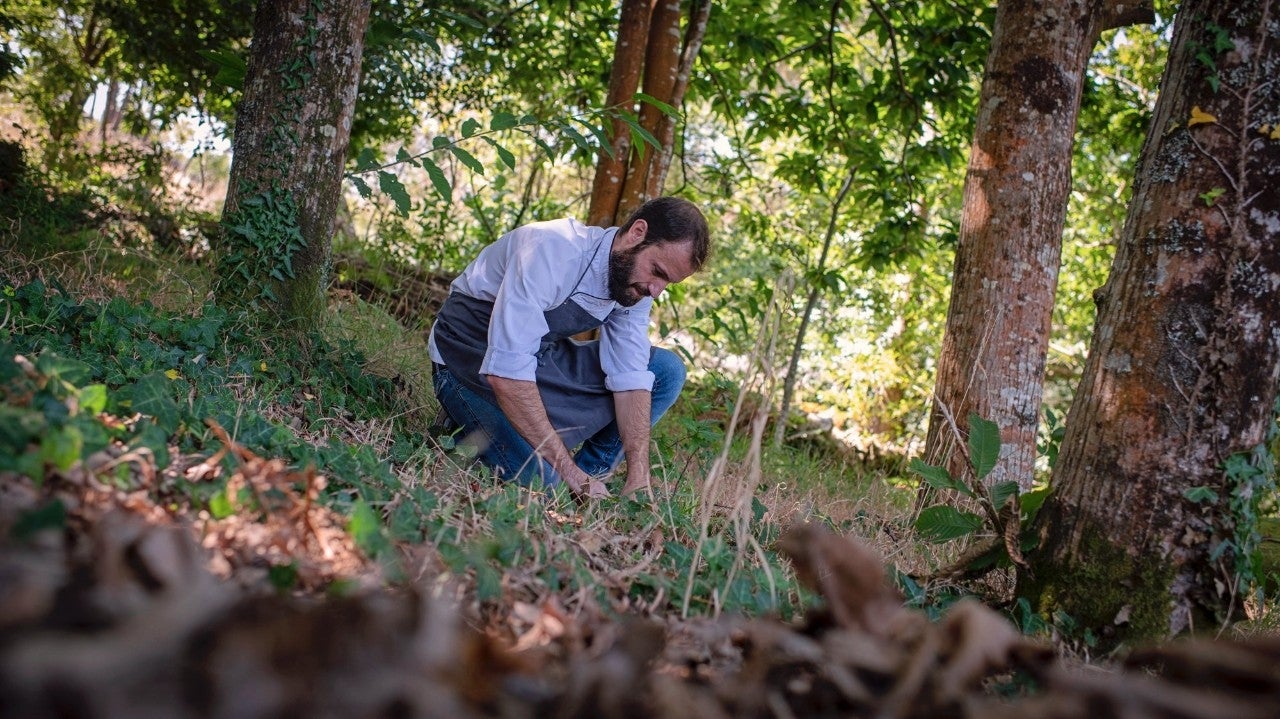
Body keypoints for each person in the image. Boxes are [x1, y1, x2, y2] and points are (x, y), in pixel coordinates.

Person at [428, 196, 710, 499]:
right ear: (637, 233)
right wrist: (566, 471)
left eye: (668, 283)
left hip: (536, 364)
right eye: (657, 271)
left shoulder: (634, 287)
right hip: (466, 364)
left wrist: (638, 477)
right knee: (547, 486)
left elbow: (630, 378)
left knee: (664, 370)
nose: (656, 290)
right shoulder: (552, 248)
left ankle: (590, 475)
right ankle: (463, 427)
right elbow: (506, 373)